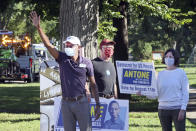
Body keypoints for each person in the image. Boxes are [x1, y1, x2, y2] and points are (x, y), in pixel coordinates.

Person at [30, 11, 101, 131]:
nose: (68, 47)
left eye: (70, 45)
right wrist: (38, 27)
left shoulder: (87, 62)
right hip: (66, 103)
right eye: (66, 45)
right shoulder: (62, 58)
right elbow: (48, 46)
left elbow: (93, 85)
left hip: (81, 102)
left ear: (78, 47)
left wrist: (98, 105)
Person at [140, 48, 189, 131]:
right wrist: (143, 93)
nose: (168, 58)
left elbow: (185, 92)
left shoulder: (181, 73)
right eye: (166, 56)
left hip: (177, 109)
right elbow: (155, 94)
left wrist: (183, 109)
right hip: (163, 110)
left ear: (175, 58)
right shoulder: (160, 74)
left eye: (170, 56)